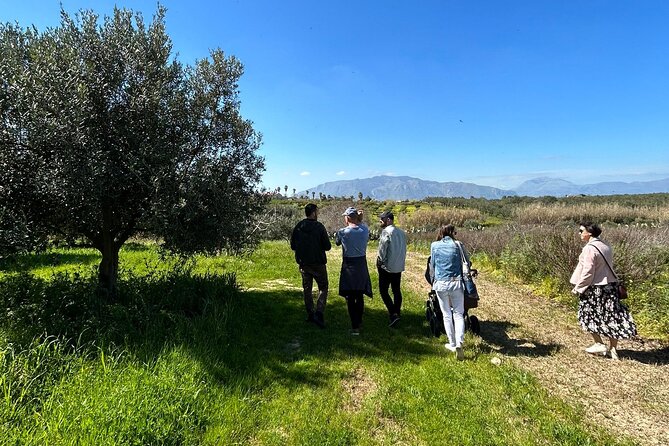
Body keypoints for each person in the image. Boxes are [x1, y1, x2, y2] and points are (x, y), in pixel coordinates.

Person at [570, 221, 637, 360]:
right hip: (610, 286)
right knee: (611, 316)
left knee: (587, 314)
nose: (579, 233)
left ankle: (599, 344)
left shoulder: (589, 248)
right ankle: (613, 350)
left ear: (589, 233)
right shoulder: (606, 246)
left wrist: (579, 288)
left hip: (595, 288)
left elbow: (588, 272)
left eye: (581, 231)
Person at [430, 224, 471, 360]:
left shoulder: (434, 245)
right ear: (452, 232)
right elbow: (467, 262)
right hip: (456, 282)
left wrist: (433, 280)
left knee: (446, 314)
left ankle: (452, 343)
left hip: (441, 283)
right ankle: (460, 342)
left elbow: (433, 265)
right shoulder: (458, 244)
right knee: (458, 313)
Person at [290, 203, 332, 328]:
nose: (317, 214)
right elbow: (327, 246)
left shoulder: (299, 226)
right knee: (323, 288)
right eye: (317, 211)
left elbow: (293, 246)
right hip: (318, 264)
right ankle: (319, 313)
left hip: (304, 264)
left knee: (307, 289)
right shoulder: (319, 227)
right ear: (313, 212)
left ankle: (310, 313)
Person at [335, 207, 372, 335]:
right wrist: (360, 220)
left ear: (348, 217)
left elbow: (337, 243)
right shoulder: (365, 230)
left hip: (349, 265)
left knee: (350, 296)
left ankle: (354, 326)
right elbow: (362, 228)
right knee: (359, 294)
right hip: (361, 264)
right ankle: (359, 320)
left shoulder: (343, 232)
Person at [376, 211, 407, 327]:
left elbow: (382, 250)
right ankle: (397, 312)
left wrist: (380, 261)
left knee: (383, 291)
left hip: (387, 267)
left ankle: (393, 313)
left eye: (382, 219)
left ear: (388, 220)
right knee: (396, 290)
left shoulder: (386, 232)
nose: (380, 221)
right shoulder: (401, 232)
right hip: (398, 266)